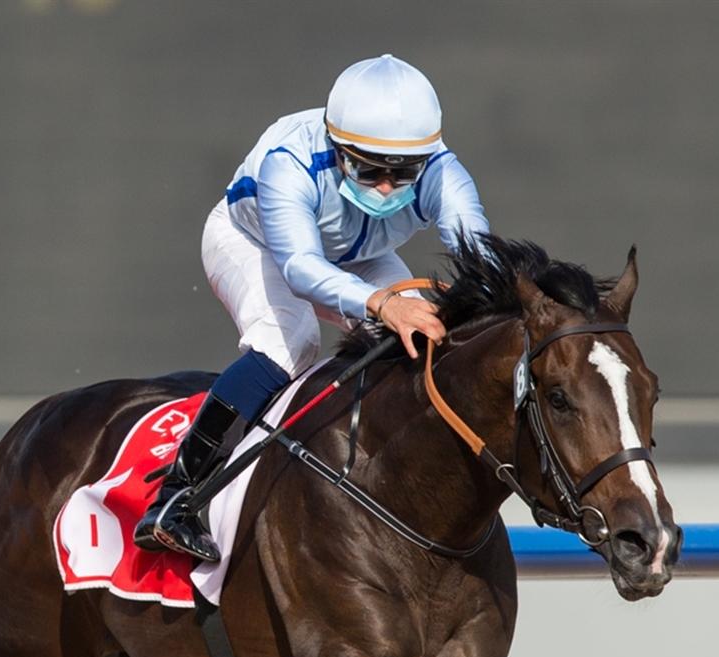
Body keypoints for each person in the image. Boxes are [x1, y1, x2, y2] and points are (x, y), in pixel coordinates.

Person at [134, 54, 492, 562]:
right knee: (290, 343)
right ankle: (176, 497)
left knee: (423, 339)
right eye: (369, 169)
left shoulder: (442, 169)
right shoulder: (291, 158)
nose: (388, 186)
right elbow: (300, 268)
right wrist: (382, 304)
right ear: (337, 147)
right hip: (256, 242)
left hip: (361, 256)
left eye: (404, 172)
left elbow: (478, 254)